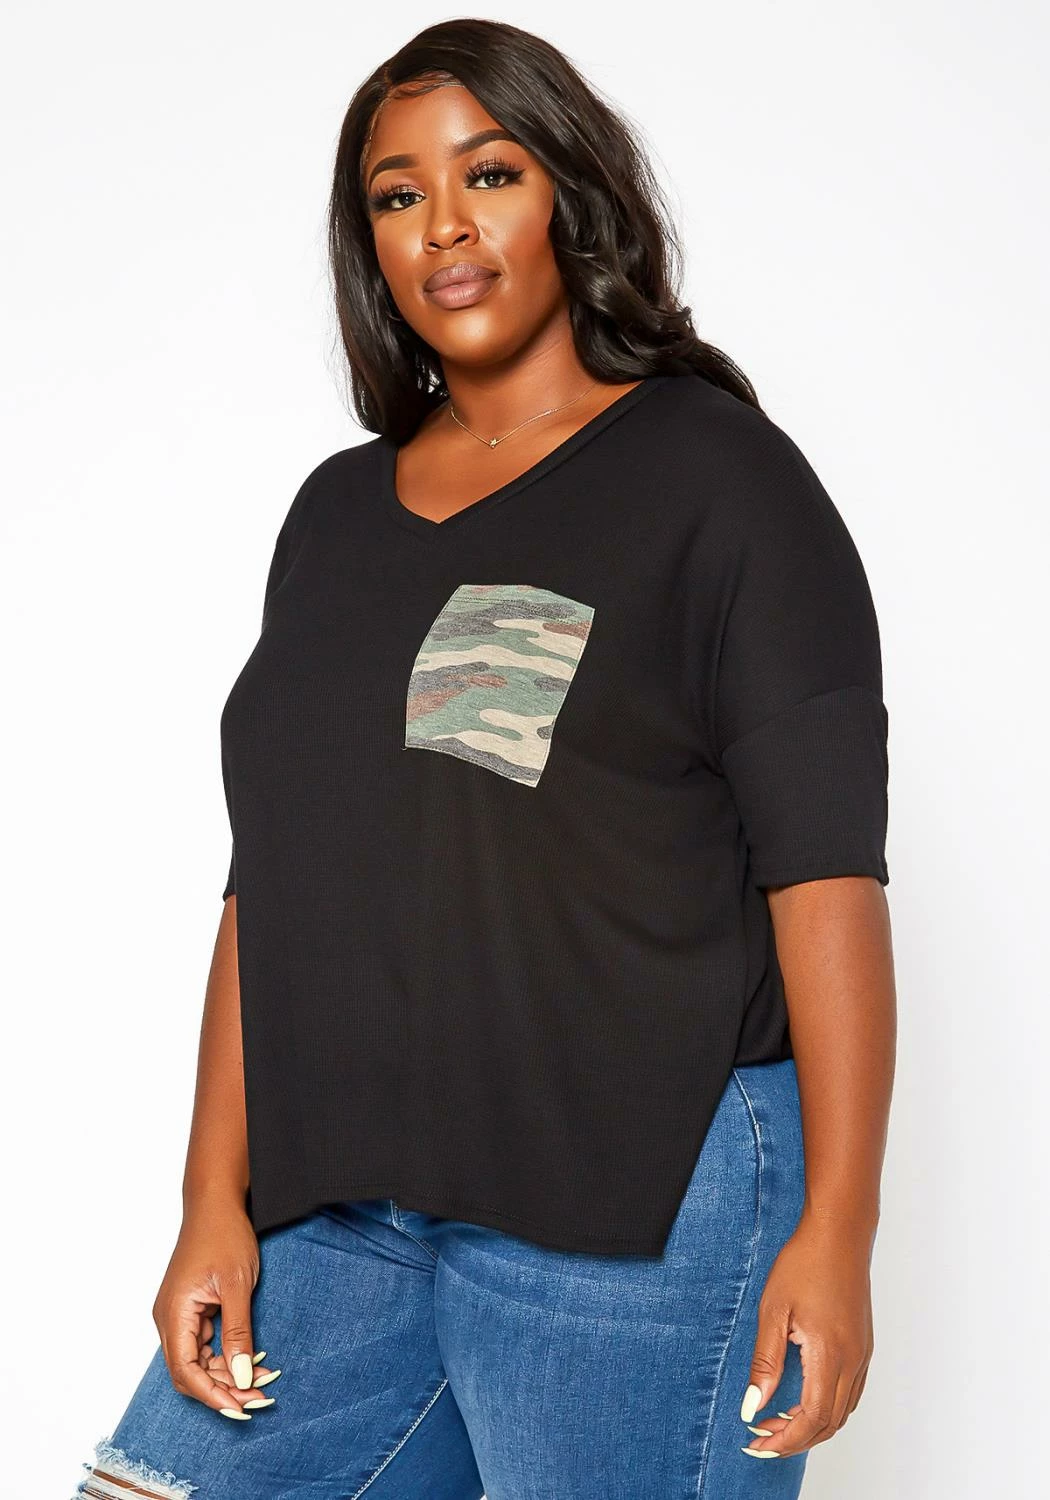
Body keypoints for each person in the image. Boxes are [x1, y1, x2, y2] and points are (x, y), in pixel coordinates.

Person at [75, 18, 896, 1500]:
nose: (444, 226)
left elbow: (823, 868)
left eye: (490, 174)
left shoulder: (714, 479)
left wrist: (836, 1226)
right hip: (350, 1205)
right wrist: (212, 1198)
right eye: (397, 196)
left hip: (637, 1200)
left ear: (572, 195)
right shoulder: (333, 515)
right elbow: (271, 883)